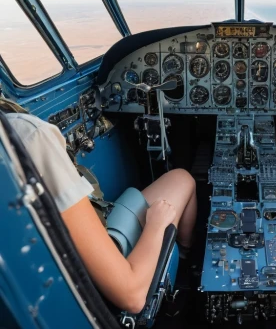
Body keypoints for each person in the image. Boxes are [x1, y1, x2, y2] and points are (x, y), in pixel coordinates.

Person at [0, 97, 197, 314]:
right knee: (182, 179)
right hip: (102, 282)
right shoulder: (26, 134)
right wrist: (157, 225)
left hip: (49, 273)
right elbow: (132, 296)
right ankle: (186, 259)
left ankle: (184, 255)